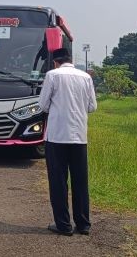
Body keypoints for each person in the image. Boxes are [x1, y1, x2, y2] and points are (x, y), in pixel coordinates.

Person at [38, 47, 97, 236]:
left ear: (55, 62)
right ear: (70, 59)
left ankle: (63, 225)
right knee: (80, 181)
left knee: (58, 181)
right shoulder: (85, 77)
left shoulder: (53, 75)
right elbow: (92, 107)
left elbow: (43, 105)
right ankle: (83, 224)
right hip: (79, 136)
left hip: (57, 136)